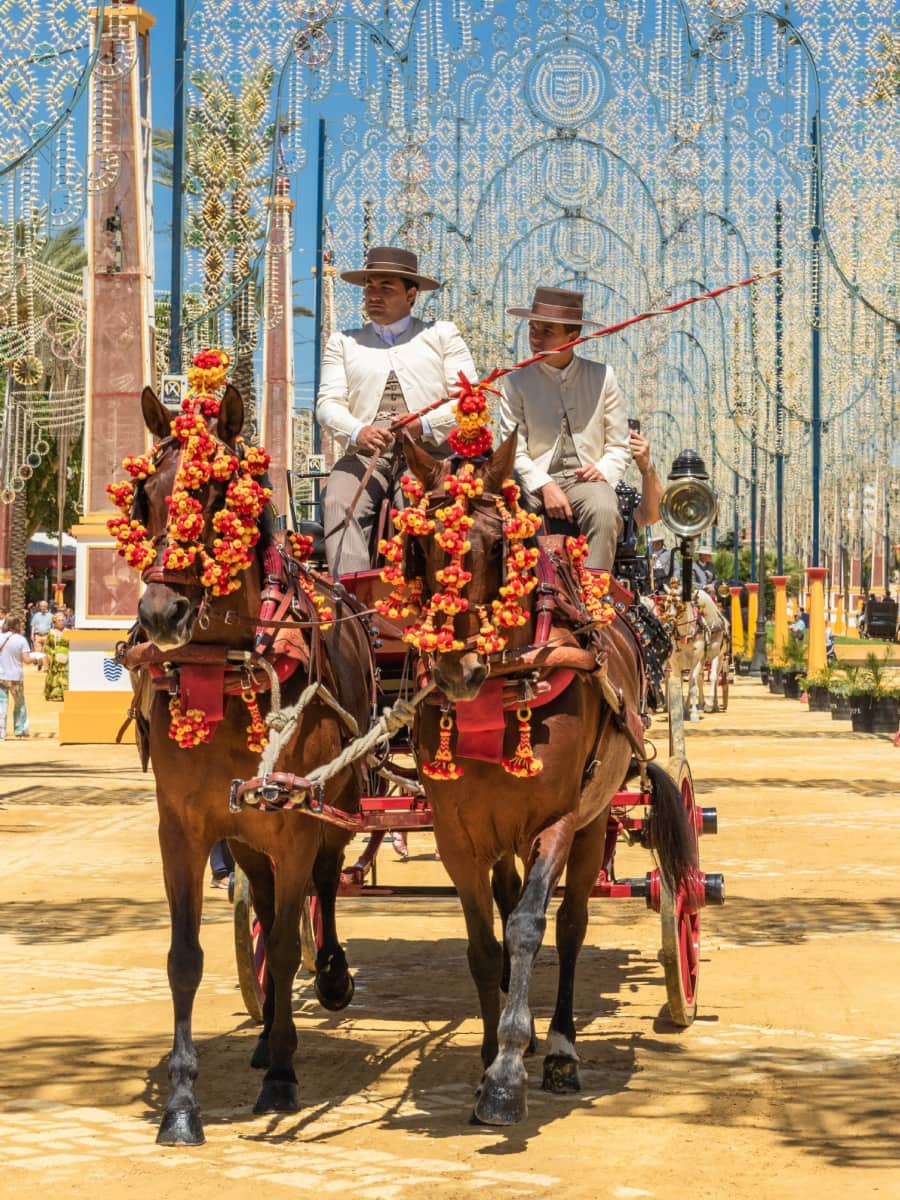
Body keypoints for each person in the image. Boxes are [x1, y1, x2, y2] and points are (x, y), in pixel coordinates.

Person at [316, 245, 478, 576]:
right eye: (369, 288)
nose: (374, 296)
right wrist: (358, 431)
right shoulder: (343, 342)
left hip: (431, 456)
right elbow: (328, 404)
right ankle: (352, 607)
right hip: (364, 456)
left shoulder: (442, 335)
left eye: (386, 288)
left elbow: (468, 400)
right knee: (336, 502)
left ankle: (431, 600)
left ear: (412, 294)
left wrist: (423, 425)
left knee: (425, 507)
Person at [497, 286, 630, 570]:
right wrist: (544, 484)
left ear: (573, 337)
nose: (536, 338)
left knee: (605, 510)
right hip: (531, 480)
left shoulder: (603, 376)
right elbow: (514, 452)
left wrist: (604, 470)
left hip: (587, 481)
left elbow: (620, 445)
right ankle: (515, 597)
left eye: (547, 331)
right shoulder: (515, 381)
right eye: (533, 329)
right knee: (502, 512)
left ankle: (594, 599)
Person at [0, 616, 31, 739]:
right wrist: (37, 659)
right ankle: (20, 730)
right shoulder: (21, 640)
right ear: (18, 625)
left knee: (1, 703)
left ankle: (1, 733)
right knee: (19, 703)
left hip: (0, 676)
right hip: (15, 678)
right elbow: (27, 660)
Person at [43, 611, 70, 701]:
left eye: (63, 620)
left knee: (65, 676)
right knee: (55, 676)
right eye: (59, 620)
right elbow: (46, 646)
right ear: (55, 622)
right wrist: (52, 653)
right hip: (55, 658)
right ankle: (54, 695)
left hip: (66, 657)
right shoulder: (51, 633)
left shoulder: (68, 632)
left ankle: (64, 694)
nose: (61, 622)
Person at [30, 600, 53, 667]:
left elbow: (53, 627)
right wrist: (32, 634)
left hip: (46, 635)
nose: (43, 607)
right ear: (40, 607)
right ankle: (40, 663)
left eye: (44, 606)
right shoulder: (36, 615)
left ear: (47, 607)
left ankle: (45, 667)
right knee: (38, 651)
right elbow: (33, 625)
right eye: (41, 606)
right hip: (38, 635)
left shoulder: (51, 616)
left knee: (45, 652)